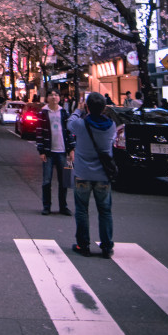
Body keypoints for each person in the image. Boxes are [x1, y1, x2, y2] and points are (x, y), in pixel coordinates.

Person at [67, 92, 116, 258]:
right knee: (105, 211)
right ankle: (107, 247)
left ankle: (83, 245)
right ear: (104, 108)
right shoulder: (111, 126)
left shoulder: (81, 124)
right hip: (103, 175)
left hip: (83, 174)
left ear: (87, 106)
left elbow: (70, 123)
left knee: (82, 210)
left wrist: (78, 110)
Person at [36, 89, 75, 216]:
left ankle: (63, 207)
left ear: (60, 98)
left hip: (62, 152)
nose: (54, 97)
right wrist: (41, 150)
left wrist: (71, 149)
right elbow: (39, 132)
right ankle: (46, 206)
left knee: (64, 181)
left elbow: (70, 132)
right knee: (46, 181)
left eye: (56, 95)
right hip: (48, 152)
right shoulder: (43, 112)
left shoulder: (64, 113)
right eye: (51, 95)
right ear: (47, 98)